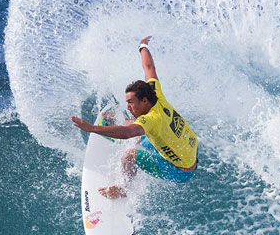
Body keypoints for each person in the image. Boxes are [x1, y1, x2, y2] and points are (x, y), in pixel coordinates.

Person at [70, 36, 198, 198]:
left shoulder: (150, 120)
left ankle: (122, 190)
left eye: (131, 102)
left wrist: (92, 128)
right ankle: (125, 124)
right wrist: (142, 46)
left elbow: (127, 133)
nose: (128, 106)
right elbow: (149, 67)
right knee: (139, 127)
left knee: (130, 155)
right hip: (190, 149)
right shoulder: (155, 92)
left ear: (144, 100)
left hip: (179, 171)